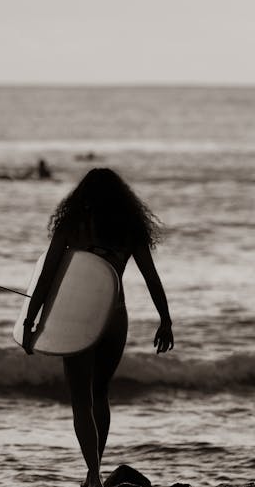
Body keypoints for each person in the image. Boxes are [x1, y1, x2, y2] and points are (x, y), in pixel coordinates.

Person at [21, 168, 174, 487]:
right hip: (115, 316)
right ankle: (96, 468)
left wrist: (29, 320)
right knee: (100, 392)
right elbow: (151, 277)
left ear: (84, 196)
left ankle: (93, 471)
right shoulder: (129, 230)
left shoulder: (72, 226)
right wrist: (165, 320)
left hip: (79, 317)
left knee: (81, 398)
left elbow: (46, 278)